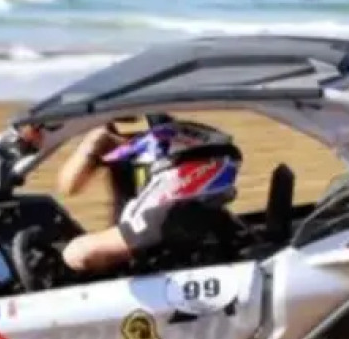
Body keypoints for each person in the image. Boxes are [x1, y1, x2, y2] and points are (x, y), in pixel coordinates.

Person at [54, 115, 244, 274]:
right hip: (133, 235)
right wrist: (94, 143)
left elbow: (82, 253)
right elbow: (69, 186)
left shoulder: (169, 143)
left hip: (148, 235)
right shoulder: (112, 142)